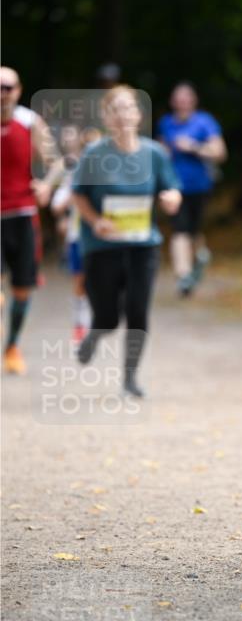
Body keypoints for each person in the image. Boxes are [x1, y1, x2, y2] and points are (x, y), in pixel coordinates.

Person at [72, 85, 181, 397]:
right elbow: (77, 195)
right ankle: (95, 334)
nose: (122, 115)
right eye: (115, 110)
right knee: (107, 317)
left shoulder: (154, 154)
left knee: (137, 311)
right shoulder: (95, 155)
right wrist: (96, 221)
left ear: (138, 114)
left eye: (128, 108)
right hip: (101, 248)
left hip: (142, 245)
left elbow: (171, 189)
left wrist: (171, 199)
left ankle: (130, 378)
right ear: (106, 117)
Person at [1, 66, 63, 374]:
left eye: (7, 87)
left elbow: (56, 162)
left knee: (22, 289)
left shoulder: (30, 123)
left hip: (22, 215)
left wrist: (47, 185)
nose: (2, 93)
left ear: (18, 90)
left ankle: (11, 345)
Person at [157, 82, 226, 296]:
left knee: (193, 231)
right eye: (179, 99)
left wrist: (194, 147)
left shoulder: (205, 122)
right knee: (180, 229)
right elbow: (160, 151)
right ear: (172, 102)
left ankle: (199, 258)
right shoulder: (166, 123)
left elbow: (220, 153)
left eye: (187, 98)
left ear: (194, 101)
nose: (183, 103)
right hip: (174, 187)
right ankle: (184, 275)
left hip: (200, 186)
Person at [50, 125, 91, 343]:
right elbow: (57, 204)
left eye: (72, 136)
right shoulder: (64, 168)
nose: (68, 140)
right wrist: (62, 217)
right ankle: (80, 323)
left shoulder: (94, 165)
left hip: (97, 234)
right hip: (76, 234)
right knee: (79, 280)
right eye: (65, 137)